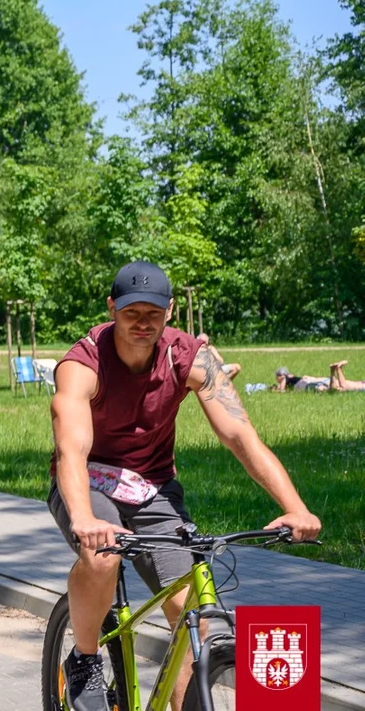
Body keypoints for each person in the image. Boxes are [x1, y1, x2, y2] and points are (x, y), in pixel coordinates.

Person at [48, 261, 321, 711]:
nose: (142, 322)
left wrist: (296, 508)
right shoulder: (83, 363)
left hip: (153, 487)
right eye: (131, 311)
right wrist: (83, 519)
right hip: (89, 480)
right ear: (112, 307)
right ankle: (84, 657)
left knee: (197, 618)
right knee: (101, 558)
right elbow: (71, 450)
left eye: (153, 312)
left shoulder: (190, 357)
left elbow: (239, 436)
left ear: (170, 311)